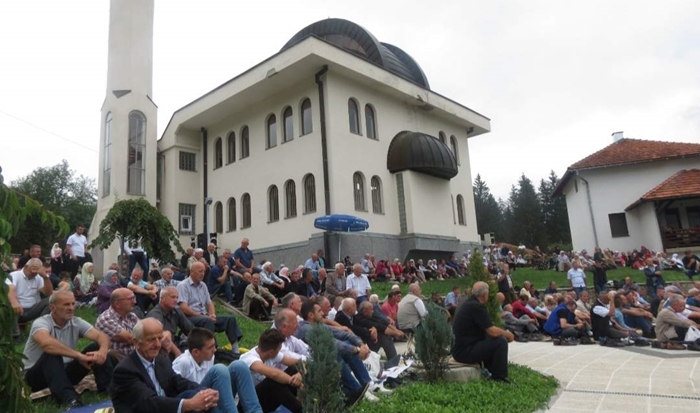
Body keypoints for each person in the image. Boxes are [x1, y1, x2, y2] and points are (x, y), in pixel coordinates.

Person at [23, 290, 112, 409]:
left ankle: (108, 389)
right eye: (66, 304)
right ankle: (71, 400)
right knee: (52, 353)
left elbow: (101, 337)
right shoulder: (41, 323)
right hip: (36, 376)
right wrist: (79, 356)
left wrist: (102, 352)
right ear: (52, 307)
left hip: (63, 372)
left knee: (96, 347)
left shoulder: (76, 321)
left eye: (73, 304)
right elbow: (47, 344)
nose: (71, 308)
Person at [110, 318, 220, 413]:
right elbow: (148, 402)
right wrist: (188, 404)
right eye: (151, 339)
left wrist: (204, 390)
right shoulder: (125, 371)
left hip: (163, 407)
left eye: (159, 338)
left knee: (200, 395)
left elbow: (177, 381)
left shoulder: (161, 360)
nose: (157, 344)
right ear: (136, 342)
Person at [172, 328, 263, 413]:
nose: (215, 350)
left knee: (239, 366)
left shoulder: (209, 358)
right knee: (219, 369)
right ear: (196, 352)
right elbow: (173, 389)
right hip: (195, 399)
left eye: (214, 346)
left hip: (212, 398)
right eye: (210, 348)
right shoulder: (183, 362)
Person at [452, 282, 514, 382]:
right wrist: (508, 334)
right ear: (485, 295)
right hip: (464, 352)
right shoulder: (476, 307)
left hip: (461, 349)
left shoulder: (470, 303)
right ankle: (500, 377)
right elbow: (492, 331)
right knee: (500, 341)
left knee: (492, 340)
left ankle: (491, 370)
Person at [177, 261, 242, 352]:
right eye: (200, 271)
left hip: (204, 316)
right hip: (190, 317)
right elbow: (184, 308)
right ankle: (213, 349)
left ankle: (235, 349)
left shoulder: (203, 285)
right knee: (208, 321)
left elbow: (209, 302)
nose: (203, 274)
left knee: (230, 319)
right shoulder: (183, 285)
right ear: (192, 272)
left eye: (204, 271)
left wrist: (212, 314)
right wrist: (203, 316)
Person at [239, 329, 303, 413]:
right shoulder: (249, 359)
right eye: (279, 350)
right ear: (271, 352)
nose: (279, 352)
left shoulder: (270, 354)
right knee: (273, 382)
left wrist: (299, 374)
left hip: (262, 400)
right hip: (245, 405)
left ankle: (304, 399)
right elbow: (274, 374)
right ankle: (300, 409)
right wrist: (298, 384)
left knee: (292, 369)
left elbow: (299, 363)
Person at [7, 257, 53, 342]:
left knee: (51, 300)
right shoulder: (14, 275)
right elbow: (10, 288)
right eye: (32, 268)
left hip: (32, 309)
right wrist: (14, 302)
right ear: (25, 266)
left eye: (37, 270)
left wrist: (45, 277)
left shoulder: (38, 277)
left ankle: (39, 329)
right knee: (9, 302)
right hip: (17, 308)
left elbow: (49, 293)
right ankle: (15, 335)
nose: (33, 272)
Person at [95, 288, 142, 360]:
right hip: (120, 360)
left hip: (135, 355)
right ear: (117, 304)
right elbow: (131, 339)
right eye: (130, 299)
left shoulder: (131, 316)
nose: (134, 302)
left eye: (134, 298)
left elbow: (144, 331)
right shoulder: (106, 319)